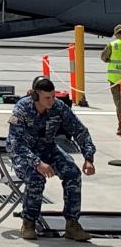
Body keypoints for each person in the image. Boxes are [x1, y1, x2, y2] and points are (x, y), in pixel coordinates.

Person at [7, 76, 95, 241]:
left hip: (48, 149)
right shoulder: (22, 109)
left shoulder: (59, 107)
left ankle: (72, 224)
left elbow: (80, 131)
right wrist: (37, 163)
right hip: (23, 154)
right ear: (35, 95)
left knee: (73, 173)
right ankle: (29, 222)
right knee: (35, 177)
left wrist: (88, 157)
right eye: (47, 97)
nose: (51, 101)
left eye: (53, 96)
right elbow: (16, 143)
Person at [100, 23, 121, 136]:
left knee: (119, 103)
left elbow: (103, 57)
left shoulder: (112, 45)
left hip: (115, 79)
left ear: (116, 34)